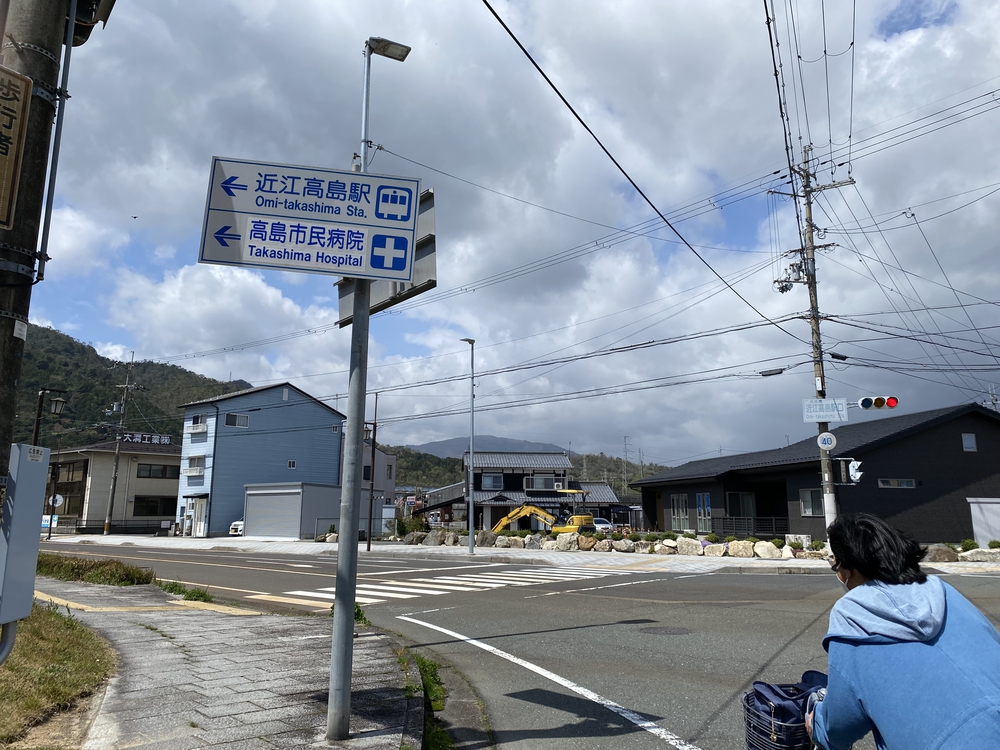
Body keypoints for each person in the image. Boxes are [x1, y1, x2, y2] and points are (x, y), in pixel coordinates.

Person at [807, 513, 1000, 749]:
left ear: (850, 568)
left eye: (835, 564)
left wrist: (815, 721)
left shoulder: (852, 617)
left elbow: (838, 727)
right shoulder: (943, 592)